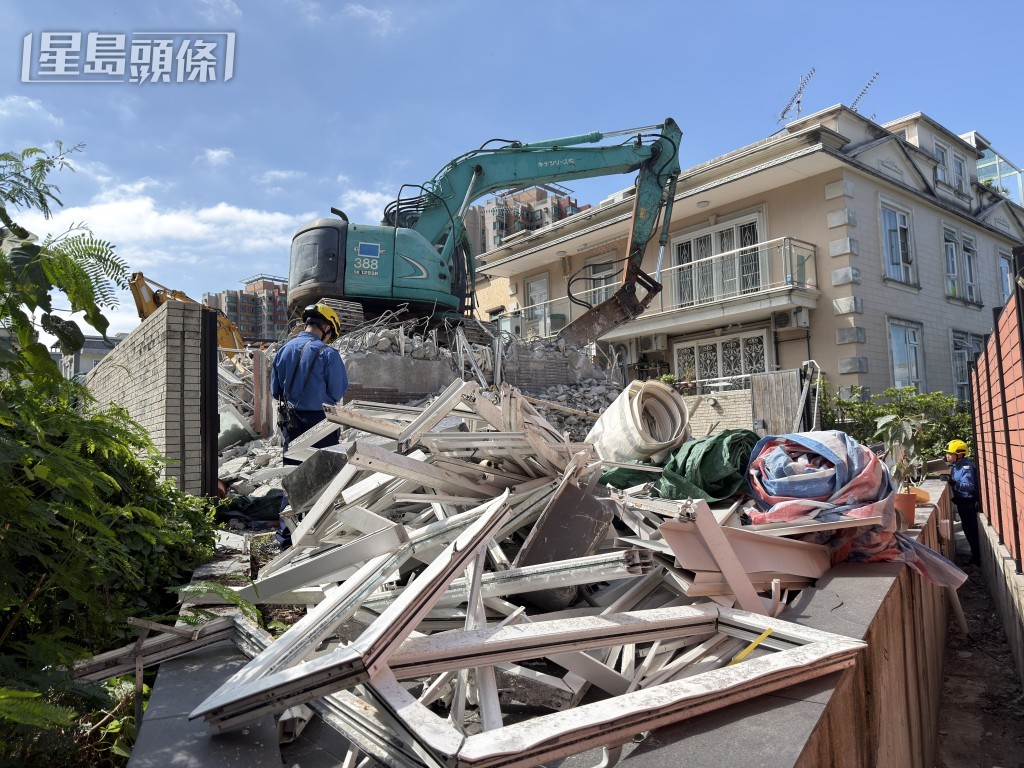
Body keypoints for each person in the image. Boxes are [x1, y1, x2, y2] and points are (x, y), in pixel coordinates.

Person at [271, 303, 348, 455]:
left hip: (291, 422)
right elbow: (337, 392)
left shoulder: (283, 351)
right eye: (330, 336)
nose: (327, 341)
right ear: (326, 328)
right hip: (321, 423)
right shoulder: (328, 353)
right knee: (323, 473)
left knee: (293, 469)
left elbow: (276, 391)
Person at [944, 438, 981, 566]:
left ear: (959, 454)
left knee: (971, 533)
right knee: (967, 531)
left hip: (968, 505)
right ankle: (975, 557)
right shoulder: (956, 466)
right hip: (962, 504)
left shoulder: (966, 467)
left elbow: (969, 485)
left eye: (950, 453)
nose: (947, 455)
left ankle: (977, 559)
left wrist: (956, 483)